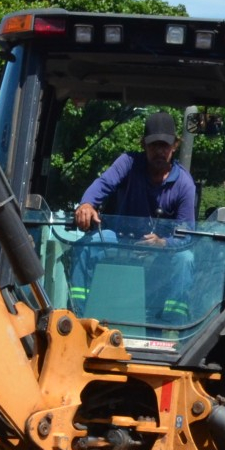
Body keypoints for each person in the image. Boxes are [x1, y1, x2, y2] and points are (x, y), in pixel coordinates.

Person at [69, 111, 198, 323]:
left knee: (185, 259)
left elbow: (188, 236)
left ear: (175, 146)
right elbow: (103, 183)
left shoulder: (184, 184)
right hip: (120, 241)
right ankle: (76, 316)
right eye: (153, 145)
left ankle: (172, 327)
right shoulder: (127, 162)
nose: (159, 151)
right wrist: (87, 203)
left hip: (160, 254)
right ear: (143, 145)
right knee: (88, 245)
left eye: (164, 145)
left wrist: (163, 243)